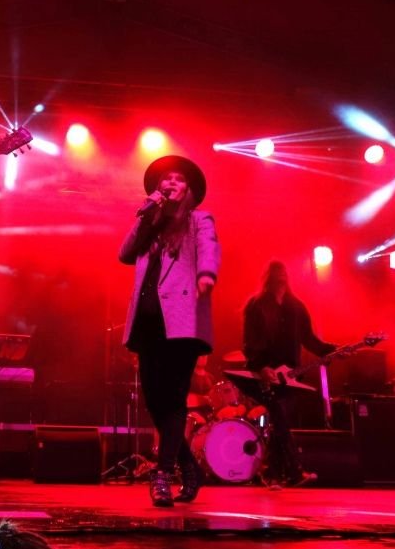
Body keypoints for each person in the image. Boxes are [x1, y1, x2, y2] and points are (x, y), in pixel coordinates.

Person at [120, 155, 219, 507]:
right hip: (147, 322)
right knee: (154, 400)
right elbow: (125, 254)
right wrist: (147, 215)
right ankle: (189, 466)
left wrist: (207, 274)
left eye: (177, 179)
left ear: (188, 189)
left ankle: (162, 474)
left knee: (174, 399)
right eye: (165, 179)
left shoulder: (198, 220)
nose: (170, 183)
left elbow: (209, 246)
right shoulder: (152, 222)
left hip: (181, 320)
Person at [242, 260, 336, 489]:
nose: (281, 275)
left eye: (283, 271)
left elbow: (309, 339)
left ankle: (273, 474)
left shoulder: (296, 307)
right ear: (268, 276)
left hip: (291, 375)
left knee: (280, 420)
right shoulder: (256, 305)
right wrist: (261, 366)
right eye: (276, 271)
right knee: (280, 417)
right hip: (265, 373)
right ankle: (292, 471)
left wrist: (333, 351)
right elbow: (249, 341)